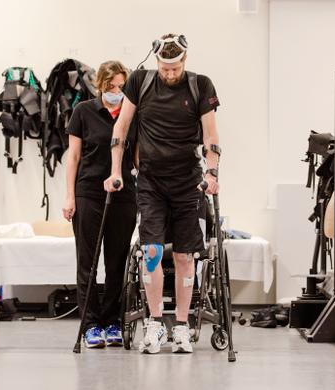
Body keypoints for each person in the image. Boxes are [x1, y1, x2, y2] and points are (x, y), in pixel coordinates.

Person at [104, 34, 221, 354]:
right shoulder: (140, 82)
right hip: (151, 182)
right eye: (165, 68)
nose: (171, 73)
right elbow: (121, 128)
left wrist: (212, 173)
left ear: (185, 60)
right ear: (157, 62)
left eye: (177, 67)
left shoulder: (201, 85)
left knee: (185, 256)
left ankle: (181, 326)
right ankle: (154, 324)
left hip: (188, 183)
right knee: (151, 252)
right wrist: (116, 171)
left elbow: (211, 135)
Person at [63, 61, 137, 348]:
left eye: (121, 87)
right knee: (89, 261)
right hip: (89, 193)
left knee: (117, 262)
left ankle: (112, 321)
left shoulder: (133, 115)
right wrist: (69, 196)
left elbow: (138, 157)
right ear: (100, 86)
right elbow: (73, 158)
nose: (117, 92)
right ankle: (91, 324)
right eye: (111, 87)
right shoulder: (83, 112)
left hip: (124, 195)